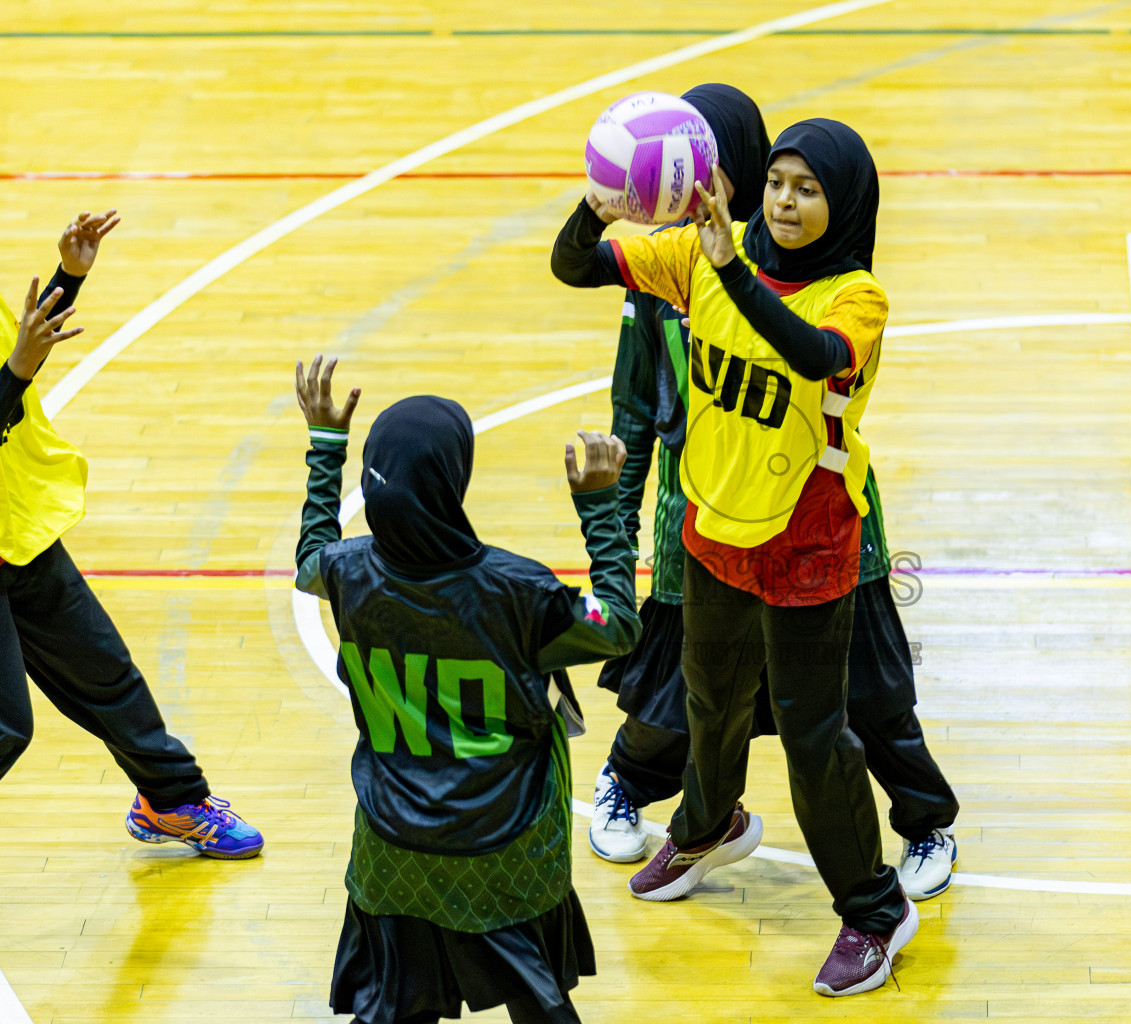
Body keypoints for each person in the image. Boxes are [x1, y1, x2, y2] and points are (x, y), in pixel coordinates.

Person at [552, 118, 916, 996]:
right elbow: (574, 266)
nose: (786, 201)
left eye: (808, 188)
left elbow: (814, 356)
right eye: (779, 183)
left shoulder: (855, 296)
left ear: (844, 201)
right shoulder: (697, 252)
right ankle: (708, 823)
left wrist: (728, 268)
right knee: (708, 703)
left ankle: (875, 910)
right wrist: (598, 203)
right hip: (714, 528)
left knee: (810, 733)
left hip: (807, 542)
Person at [293, 355, 640, 1024]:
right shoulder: (524, 592)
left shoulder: (344, 572)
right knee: (539, 1003)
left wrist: (325, 447)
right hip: (506, 843)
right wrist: (602, 506)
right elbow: (618, 623)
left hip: (393, 844)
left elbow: (311, 556)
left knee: (395, 1004)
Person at [0, 211, 263, 859]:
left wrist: (71, 275)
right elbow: (15, 371)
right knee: (7, 725)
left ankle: (172, 803)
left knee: (107, 676)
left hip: (18, 524)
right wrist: (18, 373)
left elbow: (25, 345)